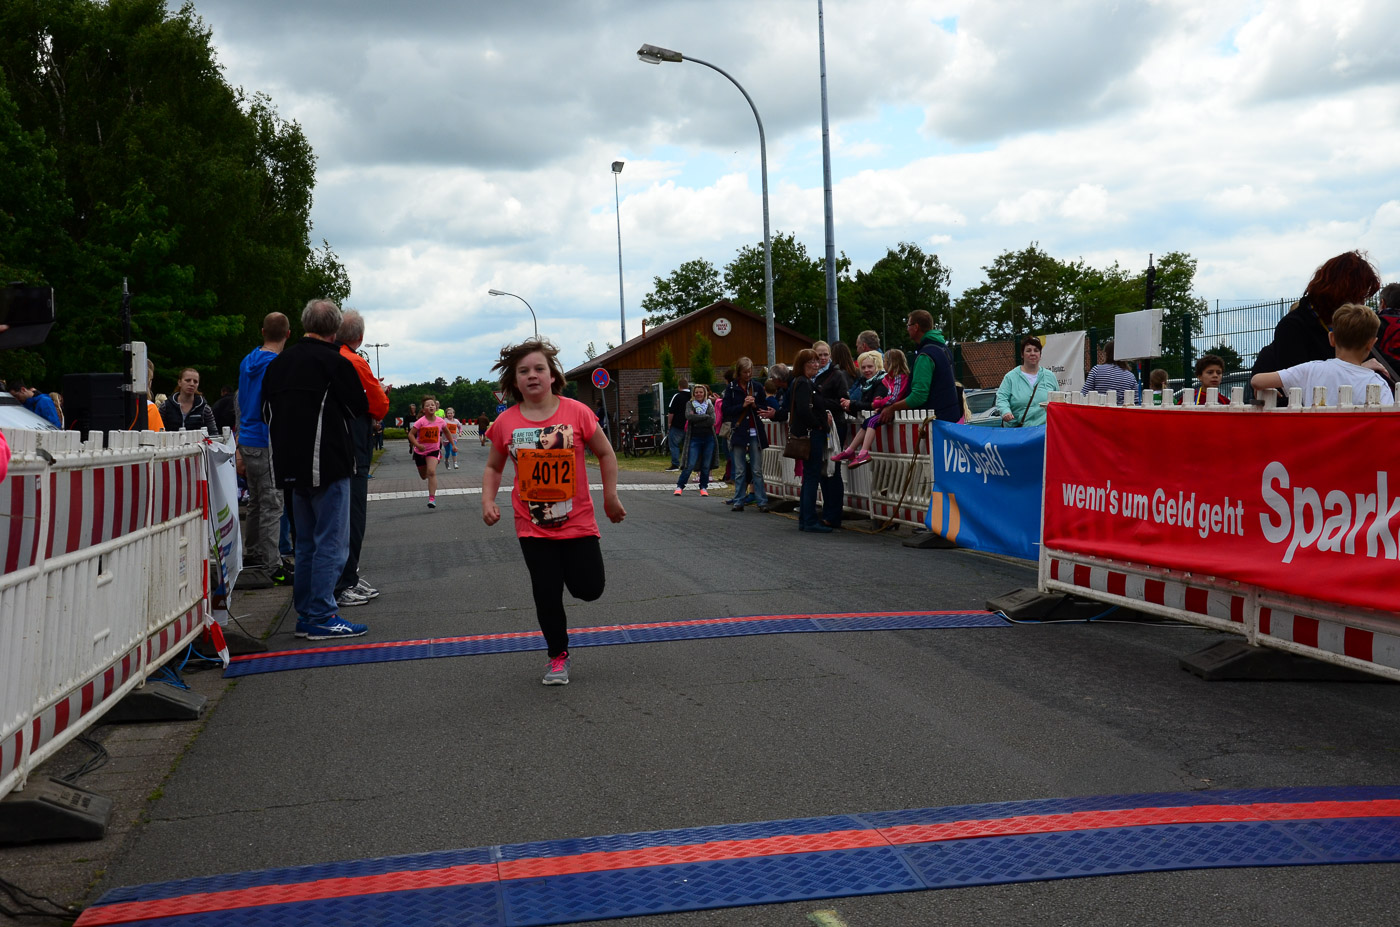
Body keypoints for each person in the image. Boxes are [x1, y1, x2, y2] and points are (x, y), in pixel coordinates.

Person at [483, 338, 625, 685]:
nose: (532, 375)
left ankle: (565, 572)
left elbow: (606, 453)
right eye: (523, 371)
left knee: (589, 588)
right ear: (515, 381)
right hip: (531, 524)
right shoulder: (505, 423)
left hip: (577, 521)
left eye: (539, 369)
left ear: (552, 376)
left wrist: (610, 496)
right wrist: (488, 501)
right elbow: (493, 467)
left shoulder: (577, 412)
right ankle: (557, 656)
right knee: (546, 594)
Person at [261, 299, 370, 640]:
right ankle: (323, 614)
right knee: (332, 543)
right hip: (328, 461)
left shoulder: (278, 364)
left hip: (289, 464)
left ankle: (307, 612)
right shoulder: (335, 362)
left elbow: (264, 411)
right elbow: (358, 406)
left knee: (305, 543)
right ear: (335, 329)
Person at [1252, 251, 1383, 395]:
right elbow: (1299, 387)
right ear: (1341, 293)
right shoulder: (1292, 327)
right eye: (1359, 296)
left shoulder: (1350, 326)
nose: (1362, 303)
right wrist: (1358, 370)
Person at [335, 309, 390, 607]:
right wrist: (379, 389)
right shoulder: (354, 361)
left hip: (327, 449)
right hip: (353, 447)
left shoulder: (326, 357)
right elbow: (379, 405)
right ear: (360, 336)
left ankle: (341, 579)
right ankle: (345, 581)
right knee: (353, 514)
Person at [236, 312, 291, 590]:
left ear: (262, 332)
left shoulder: (247, 361)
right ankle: (273, 566)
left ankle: (254, 553)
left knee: (256, 501)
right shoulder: (278, 364)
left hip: (247, 438)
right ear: (288, 334)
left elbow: (240, 401)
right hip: (266, 439)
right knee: (273, 504)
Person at [1250, 304, 1394, 408]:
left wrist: (1264, 388)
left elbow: (1257, 380)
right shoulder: (1378, 383)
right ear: (1371, 344)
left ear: (1331, 338)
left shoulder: (1310, 370)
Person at [878, 311, 963, 426]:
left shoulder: (925, 355)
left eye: (908, 325)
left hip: (933, 422)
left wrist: (892, 408)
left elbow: (918, 396)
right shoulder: (943, 348)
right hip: (950, 418)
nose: (907, 329)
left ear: (916, 327)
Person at [789, 348, 838, 533]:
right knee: (811, 477)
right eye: (812, 362)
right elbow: (803, 409)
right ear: (802, 365)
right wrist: (819, 424)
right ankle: (809, 520)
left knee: (809, 477)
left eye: (817, 361)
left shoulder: (804, 382)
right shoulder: (804, 383)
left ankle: (805, 518)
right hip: (812, 435)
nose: (816, 365)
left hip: (810, 433)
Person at [721, 358, 771, 513]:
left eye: (750, 371)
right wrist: (742, 405)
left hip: (755, 430)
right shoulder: (731, 388)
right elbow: (726, 410)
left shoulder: (757, 387)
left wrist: (755, 405)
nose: (748, 375)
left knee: (757, 469)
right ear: (739, 372)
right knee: (740, 469)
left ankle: (762, 501)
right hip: (739, 431)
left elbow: (764, 407)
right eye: (745, 372)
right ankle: (738, 500)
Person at [811, 342, 851, 522]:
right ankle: (827, 510)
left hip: (835, 424)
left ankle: (834, 515)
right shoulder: (811, 375)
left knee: (833, 468)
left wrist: (819, 403)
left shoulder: (836, 375)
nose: (823, 358)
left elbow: (843, 401)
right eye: (819, 355)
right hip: (819, 425)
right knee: (822, 469)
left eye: (825, 354)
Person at [994, 335, 1060, 427]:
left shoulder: (1050, 376)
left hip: (1043, 430)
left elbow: (1058, 399)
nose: (1032, 353)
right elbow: (1001, 398)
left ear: (1040, 355)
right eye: (1028, 350)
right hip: (1018, 430)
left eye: (1036, 350)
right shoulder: (1010, 377)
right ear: (1022, 354)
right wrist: (1005, 412)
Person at [674, 384, 715, 496]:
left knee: (706, 465)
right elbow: (689, 416)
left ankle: (703, 487)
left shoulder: (709, 404)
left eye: (701, 392)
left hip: (708, 438)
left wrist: (697, 419)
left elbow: (712, 420)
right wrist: (705, 416)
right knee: (690, 464)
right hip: (695, 438)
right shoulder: (690, 404)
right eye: (696, 392)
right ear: (693, 394)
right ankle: (680, 486)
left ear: (704, 393)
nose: (698, 394)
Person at [409, 397, 445, 508]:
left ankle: (432, 499)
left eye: (432, 405)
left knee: (431, 472)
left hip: (433, 450)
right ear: (423, 409)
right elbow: (411, 434)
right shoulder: (421, 421)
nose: (431, 407)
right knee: (424, 476)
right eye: (428, 405)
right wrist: (418, 445)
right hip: (420, 452)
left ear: (436, 407)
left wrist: (453, 445)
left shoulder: (440, 421)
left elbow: (447, 432)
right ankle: (426, 468)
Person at [1080, 339, 1140, 404]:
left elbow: (1084, 394)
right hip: (1122, 409)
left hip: (1100, 408)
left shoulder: (1096, 370)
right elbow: (1136, 400)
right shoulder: (1130, 376)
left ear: (1106, 354)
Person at [160, 368, 219, 434]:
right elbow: (157, 431)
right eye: (188, 380)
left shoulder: (204, 408)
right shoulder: (165, 406)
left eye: (195, 382)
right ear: (179, 382)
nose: (192, 384)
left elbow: (214, 434)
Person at [665, 378, 690, 471]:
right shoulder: (692, 396)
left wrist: (669, 423)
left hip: (677, 425)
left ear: (679, 386)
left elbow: (671, 411)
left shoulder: (677, 396)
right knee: (688, 445)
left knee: (674, 444)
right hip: (690, 424)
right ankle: (687, 464)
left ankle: (675, 464)